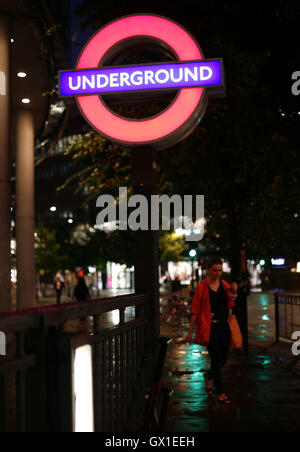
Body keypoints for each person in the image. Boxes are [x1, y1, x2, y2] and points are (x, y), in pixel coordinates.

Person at [186, 258, 235, 405]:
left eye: (220, 270)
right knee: (216, 358)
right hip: (210, 328)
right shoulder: (202, 287)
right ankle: (220, 392)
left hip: (224, 326)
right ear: (208, 270)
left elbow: (230, 304)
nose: (218, 273)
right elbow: (195, 310)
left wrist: (233, 295)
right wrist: (190, 332)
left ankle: (209, 376)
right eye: (215, 270)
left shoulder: (224, 285)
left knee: (223, 359)